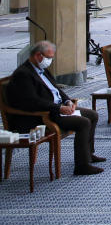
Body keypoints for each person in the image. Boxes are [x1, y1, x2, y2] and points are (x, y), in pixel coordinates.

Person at [6, 41, 104, 175]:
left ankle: (88, 154)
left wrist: (68, 101)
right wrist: (58, 108)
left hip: (57, 109)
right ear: (38, 56)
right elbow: (32, 101)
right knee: (83, 122)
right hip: (42, 116)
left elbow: (55, 89)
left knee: (92, 115)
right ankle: (82, 165)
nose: (49, 61)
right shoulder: (23, 74)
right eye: (48, 57)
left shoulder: (42, 69)